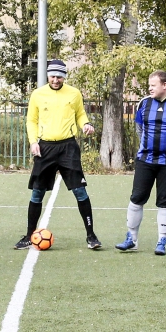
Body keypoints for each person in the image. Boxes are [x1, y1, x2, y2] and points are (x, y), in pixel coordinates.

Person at [18, 59, 101, 251]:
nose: (56, 80)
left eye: (59, 76)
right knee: (37, 192)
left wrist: (86, 124)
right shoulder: (38, 94)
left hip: (68, 148)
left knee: (80, 191)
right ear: (48, 75)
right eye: (53, 76)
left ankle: (91, 236)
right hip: (45, 148)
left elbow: (80, 114)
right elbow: (32, 120)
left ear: (64, 76)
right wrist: (33, 142)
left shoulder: (74, 93)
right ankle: (30, 235)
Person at [115, 70, 166, 255]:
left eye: (153, 85)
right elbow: (139, 128)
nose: (149, 88)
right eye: (149, 85)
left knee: (164, 202)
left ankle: (162, 241)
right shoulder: (144, 103)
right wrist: (147, 146)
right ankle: (131, 239)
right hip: (145, 160)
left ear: (165, 85)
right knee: (136, 199)